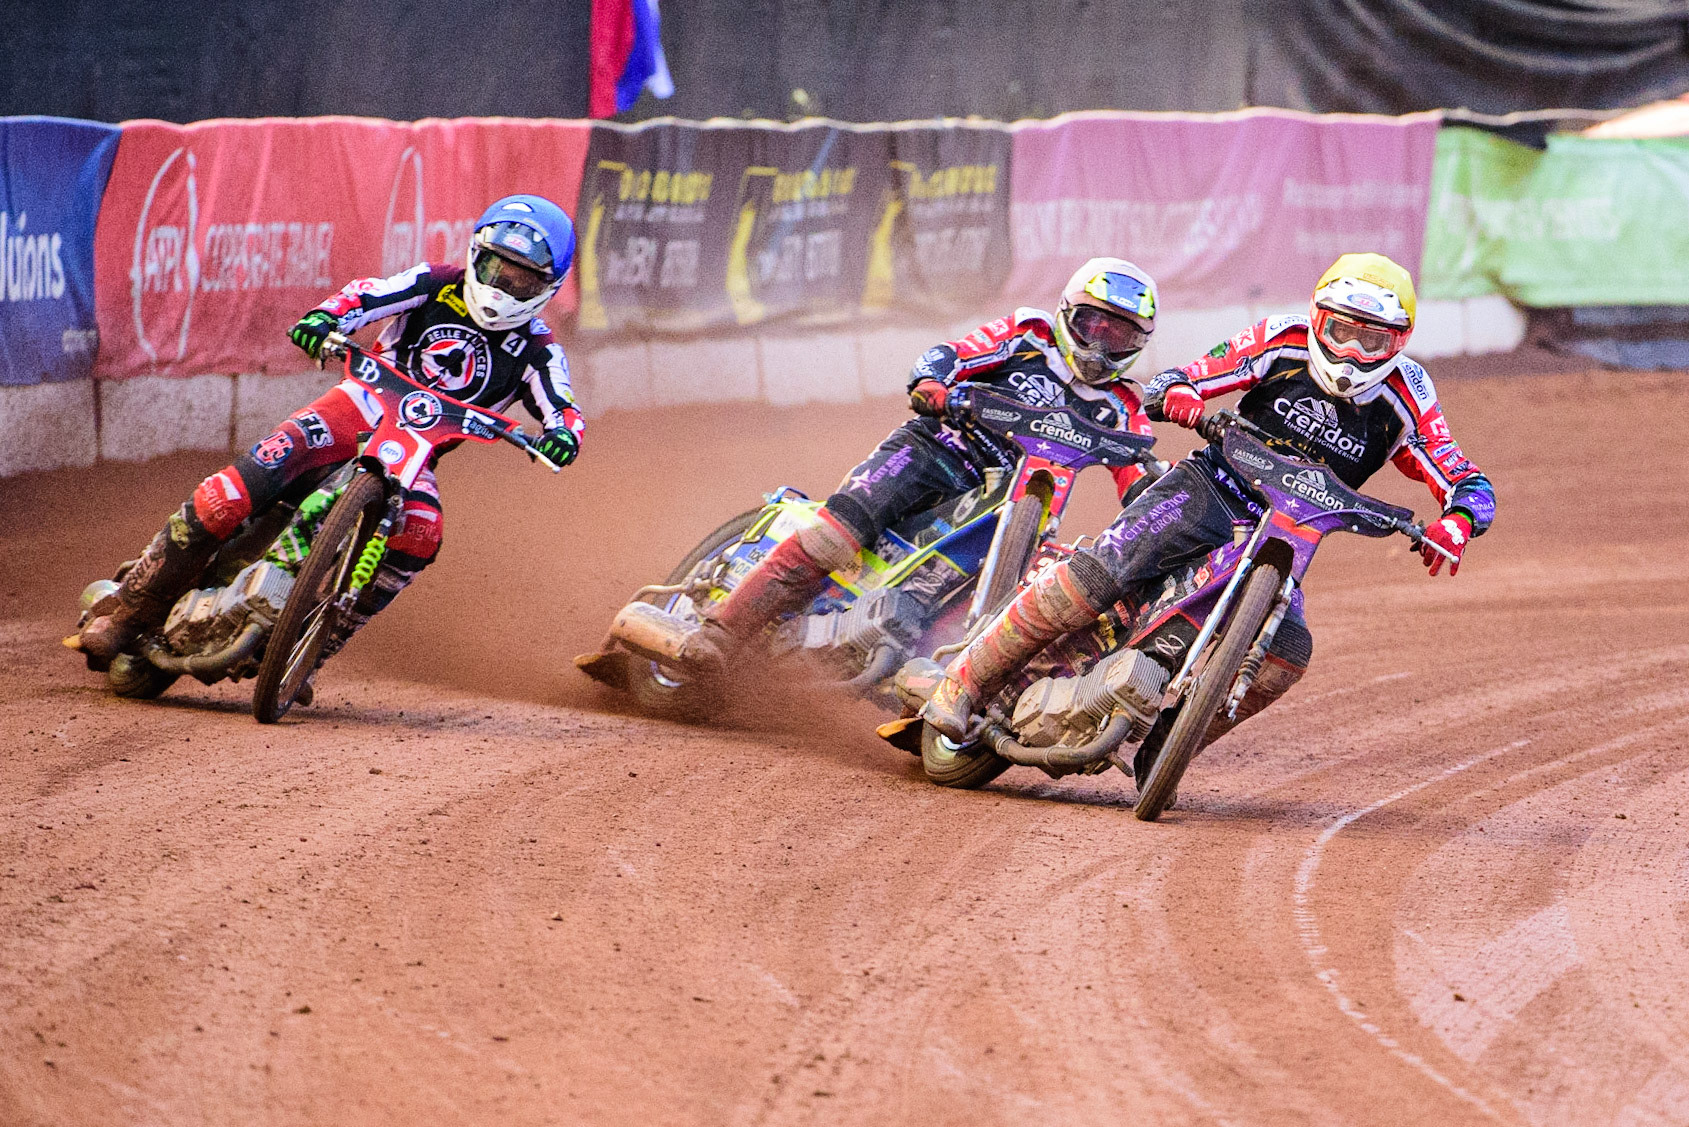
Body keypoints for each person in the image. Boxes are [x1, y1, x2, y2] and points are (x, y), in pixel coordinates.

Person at [922, 252, 1497, 743]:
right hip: (1213, 486)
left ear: (1399, 341)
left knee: (1286, 653)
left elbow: (1463, 474)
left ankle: (1167, 749)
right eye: (1341, 330)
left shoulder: (1409, 393)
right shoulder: (1283, 339)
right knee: (1103, 571)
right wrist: (1181, 396)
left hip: (1289, 531)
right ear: (1319, 318)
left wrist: (1458, 522)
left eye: (1371, 339)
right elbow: (1182, 377)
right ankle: (964, 681)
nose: (1350, 351)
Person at [73, 194, 585, 669]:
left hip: (415, 455)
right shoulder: (435, 282)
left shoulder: (540, 351)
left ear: (548, 286)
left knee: (422, 534)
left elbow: (563, 406)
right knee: (230, 493)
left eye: (522, 279)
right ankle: (130, 610)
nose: (503, 286)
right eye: (497, 267)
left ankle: (319, 641)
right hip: (353, 407)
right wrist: (324, 319)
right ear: (476, 254)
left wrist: (563, 435)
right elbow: (368, 295)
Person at [672, 257, 1164, 673]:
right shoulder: (1028, 336)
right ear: (1066, 313)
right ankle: (721, 630)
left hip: (1014, 510)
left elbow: (1136, 470)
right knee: (837, 534)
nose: (1100, 345)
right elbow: (950, 355)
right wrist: (933, 383)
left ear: (1138, 344)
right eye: (1091, 325)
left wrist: (1154, 502)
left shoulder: (1123, 405)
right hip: (938, 452)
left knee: (1032, 591)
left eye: (1118, 335)